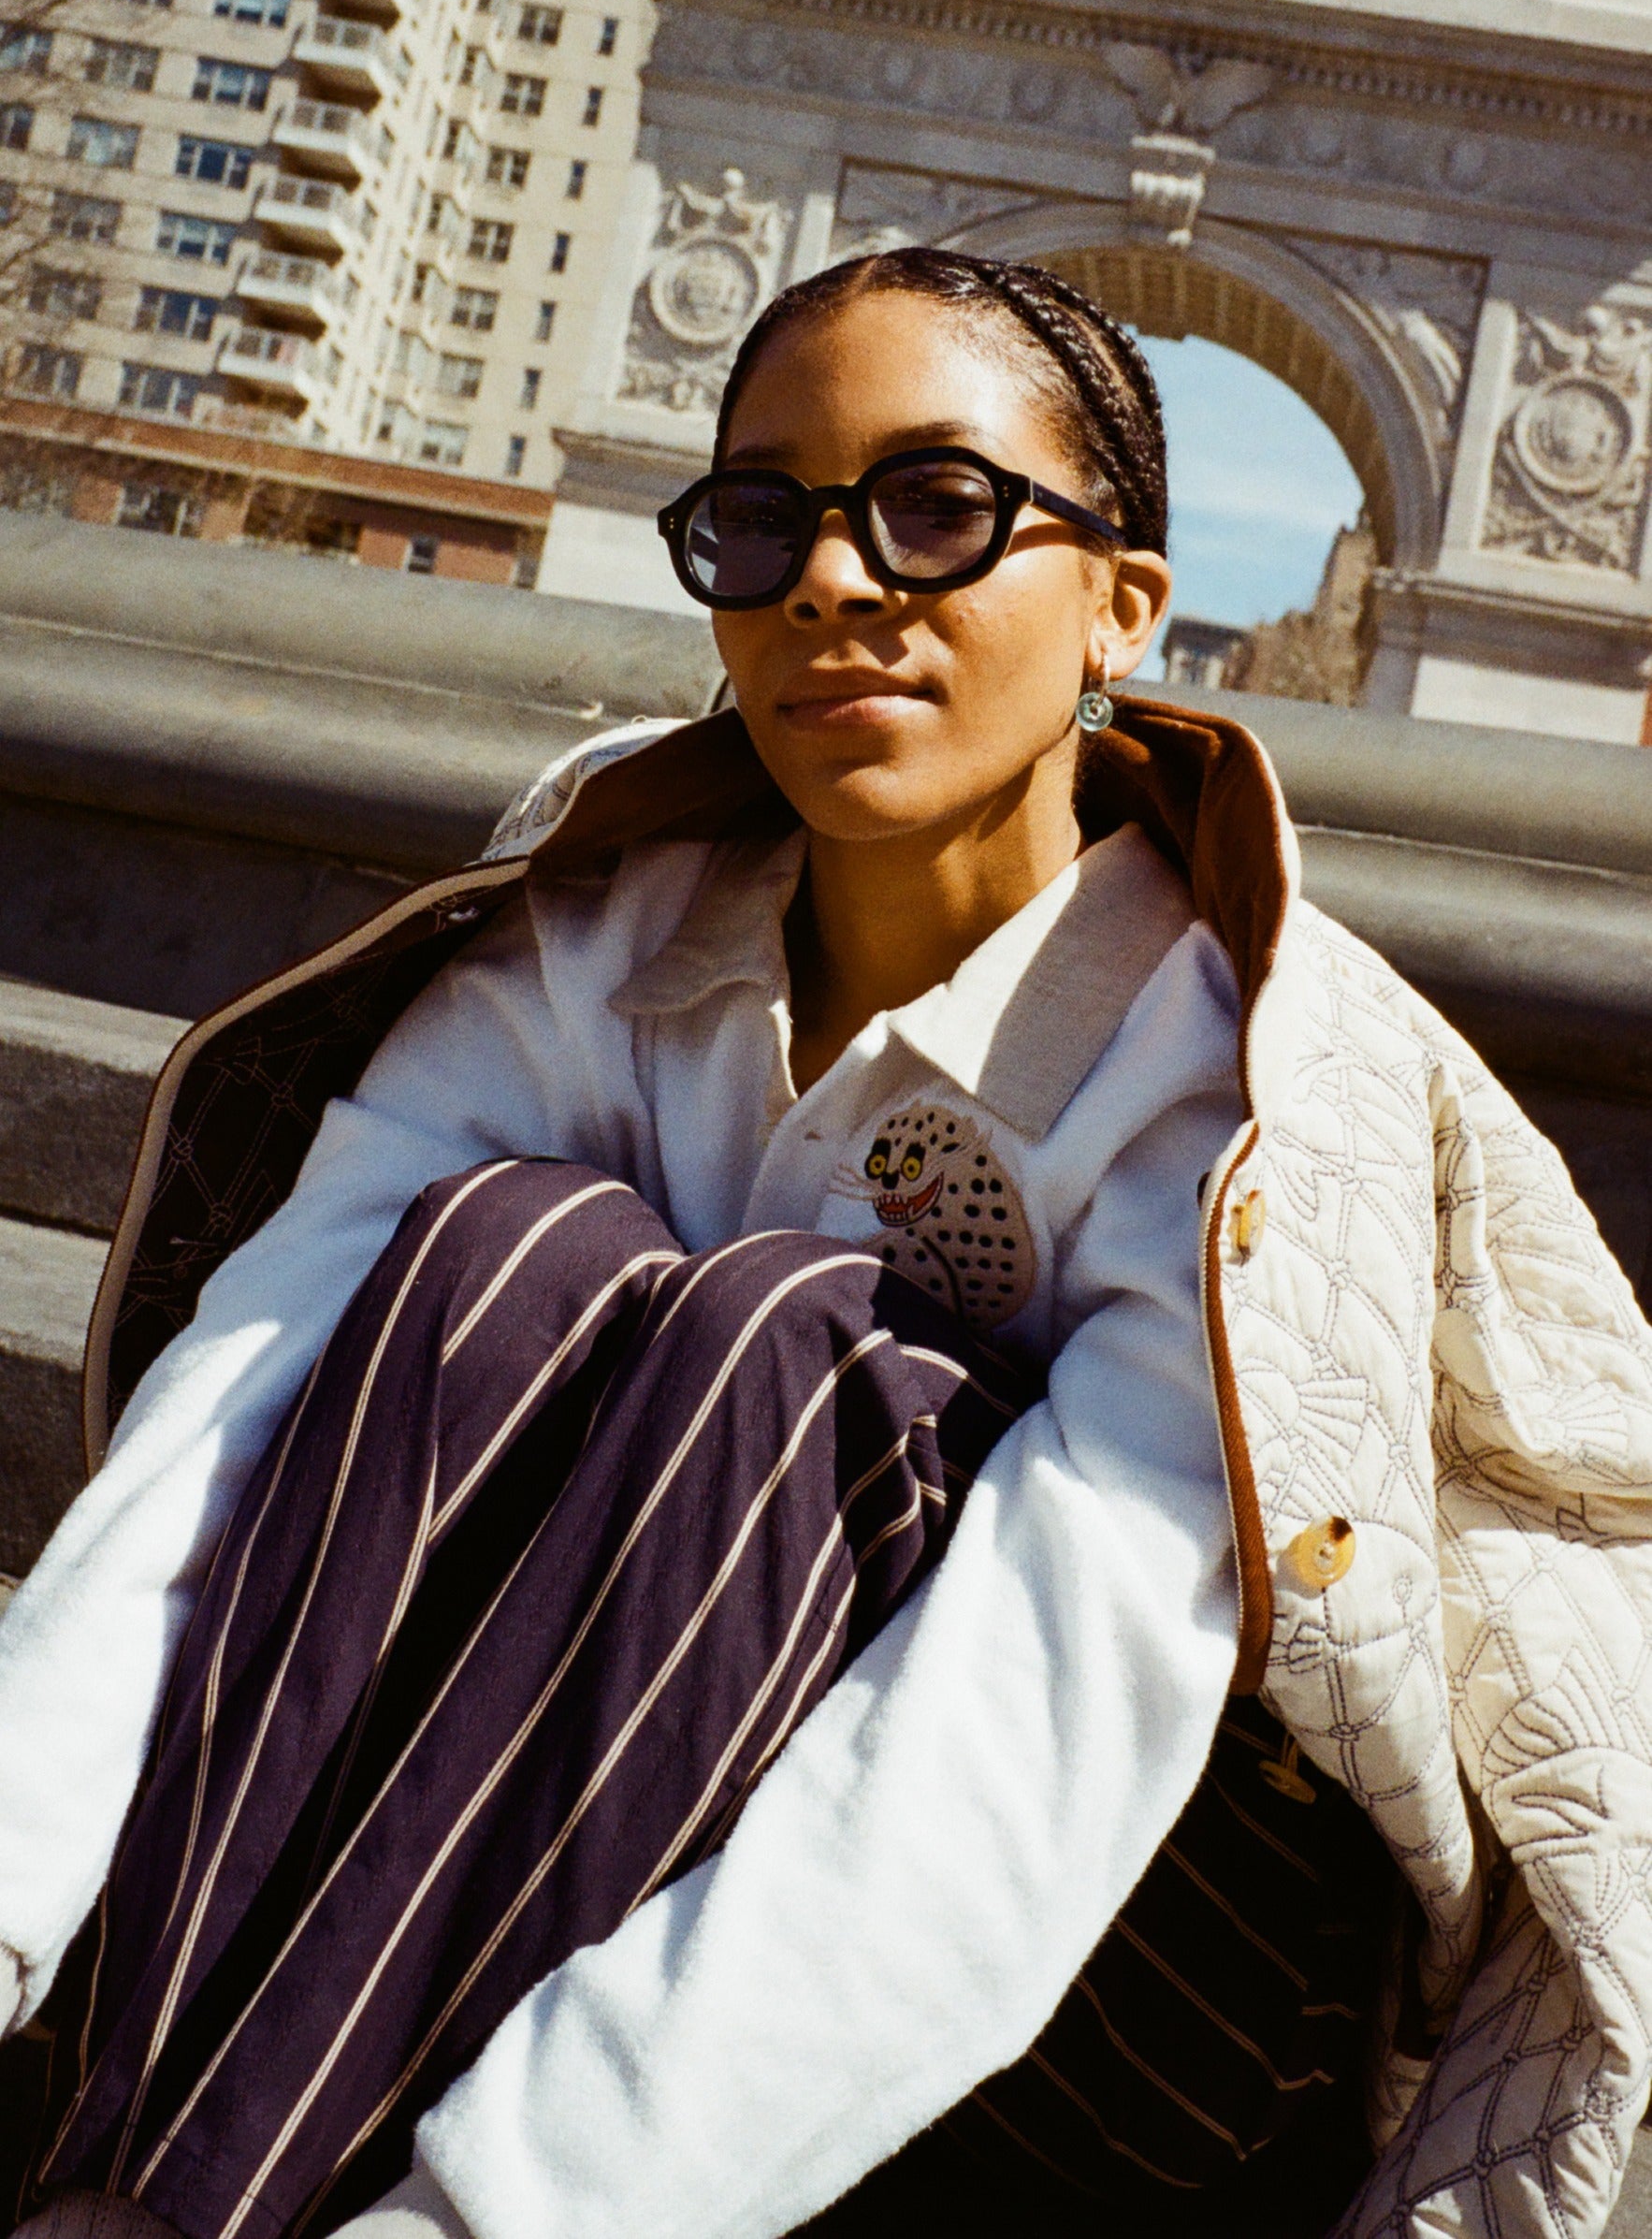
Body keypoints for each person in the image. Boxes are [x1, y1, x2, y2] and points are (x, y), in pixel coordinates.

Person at [0, 249, 1648, 2239]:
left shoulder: (1236, 1100)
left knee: (790, 1349)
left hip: (1158, 2004)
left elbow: (993, 1779)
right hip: (572, 1890)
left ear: (1125, 603)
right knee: (506, 1252)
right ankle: (131, 2183)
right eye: (759, 518)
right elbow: (232, 1434)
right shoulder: (595, 947)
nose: (833, 583)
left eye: (938, 512)